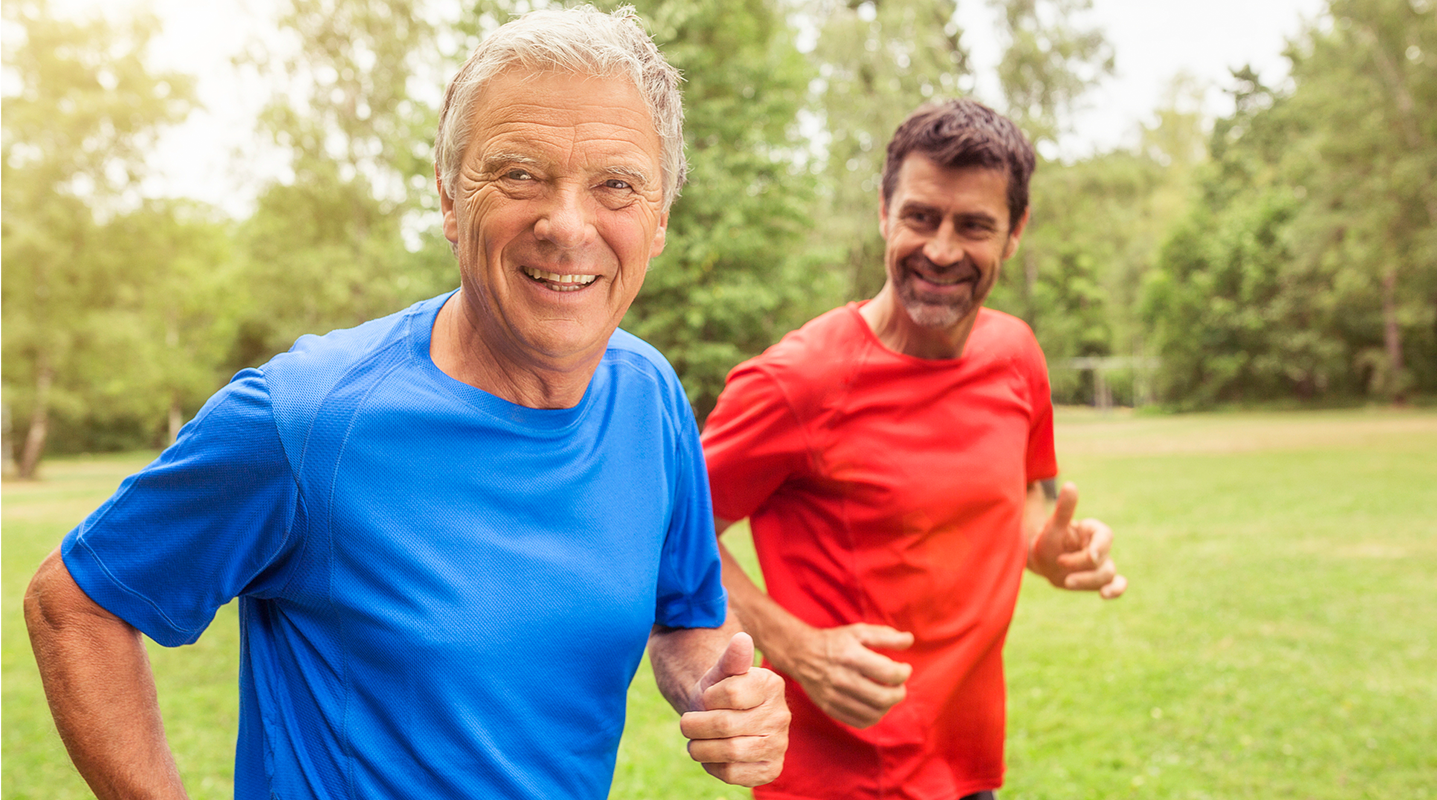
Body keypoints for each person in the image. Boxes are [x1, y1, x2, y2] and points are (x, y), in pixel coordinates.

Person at [23, 7, 788, 799]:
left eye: (616, 185)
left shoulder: (650, 396)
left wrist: (716, 693)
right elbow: (73, 605)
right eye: (519, 173)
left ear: (658, 218)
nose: (566, 224)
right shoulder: (310, 417)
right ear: (451, 200)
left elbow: (689, 612)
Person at [700, 98, 1127, 800]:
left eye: (974, 226)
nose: (940, 250)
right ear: (883, 211)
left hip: (966, 771)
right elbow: (666, 532)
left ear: (1014, 233)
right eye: (921, 217)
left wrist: (1044, 547)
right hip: (833, 783)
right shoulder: (795, 382)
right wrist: (798, 649)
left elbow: (1020, 495)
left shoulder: (1016, 354)